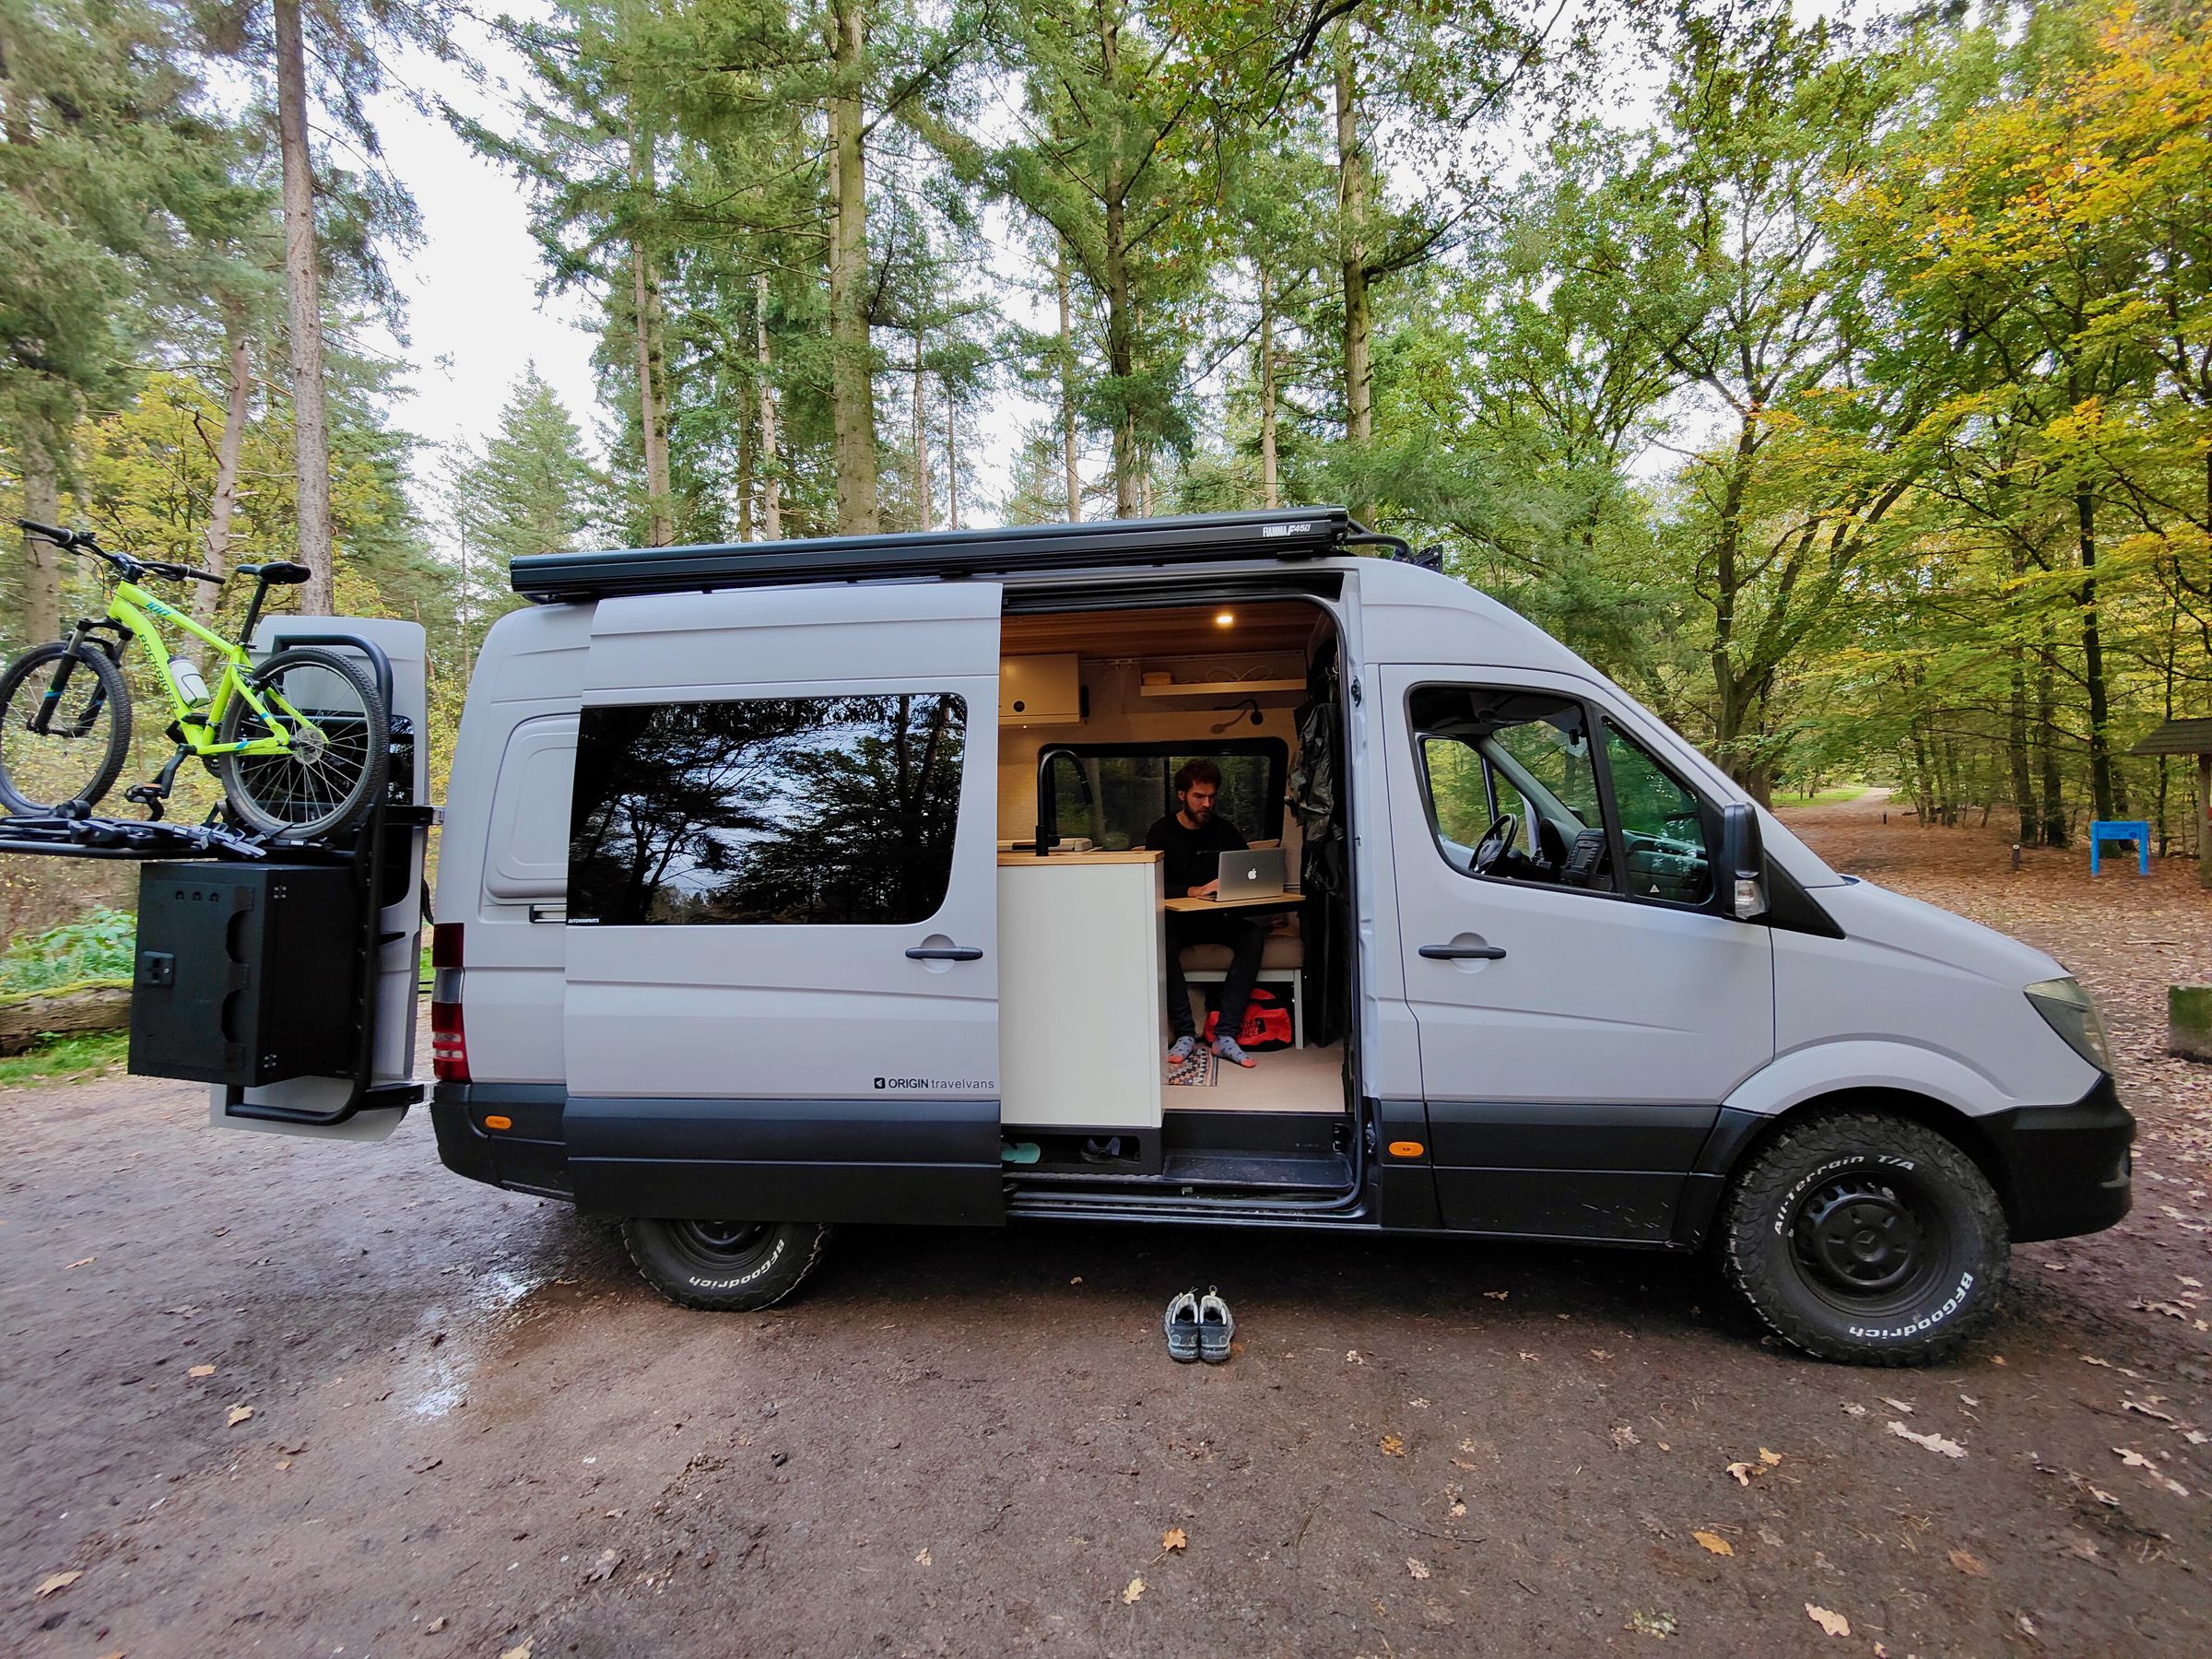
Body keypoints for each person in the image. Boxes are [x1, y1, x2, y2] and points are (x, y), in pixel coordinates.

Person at [1147, 758, 1269, 1069]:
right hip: (1179, 921)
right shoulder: (1161, 832)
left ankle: (1225, 1035)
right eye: (1199, 796)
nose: (1207, 803)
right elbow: (1150, 882)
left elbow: (1249, 872)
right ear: (1181, 795)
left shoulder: (1224, 830)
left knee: (1252, 936)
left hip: (1219, 919)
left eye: (1212, 796)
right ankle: (1185, 1034)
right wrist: (1191, 890)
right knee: (1161, 941)